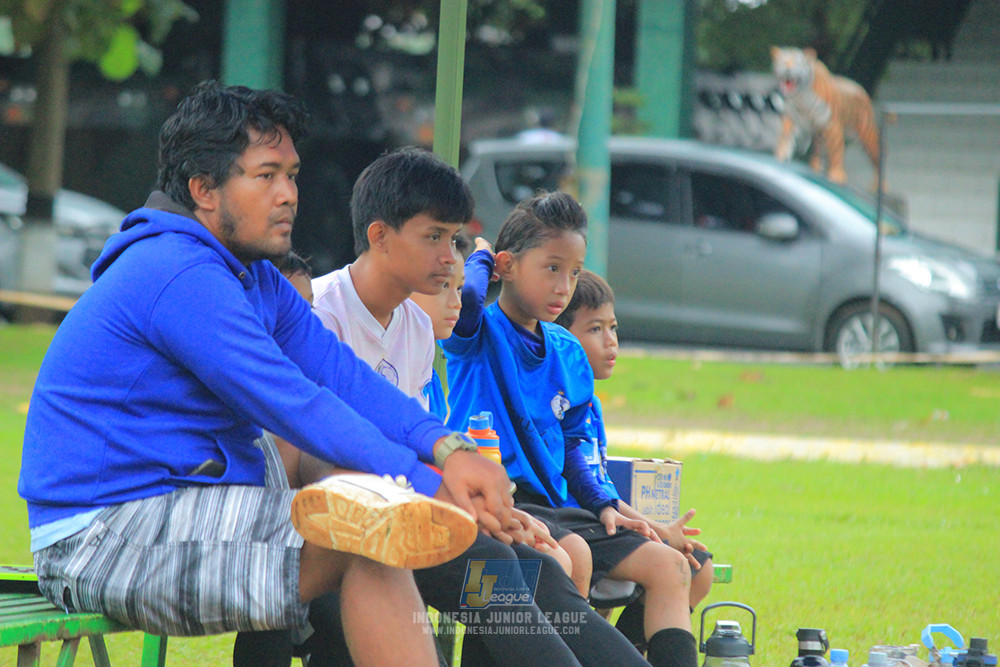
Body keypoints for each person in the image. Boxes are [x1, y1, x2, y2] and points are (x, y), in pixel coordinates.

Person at [17, 81, 516, 667]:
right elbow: (294, 402)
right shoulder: (176, 273)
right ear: (204, 189)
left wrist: (449, 449)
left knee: (371, 526)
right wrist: (430, 486)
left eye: (293, 174)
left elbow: (343, 376)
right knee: (368, 530)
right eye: (266, 175)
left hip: (179, 508)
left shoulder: (251, 278)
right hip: (102, 536)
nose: (289, 195)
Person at [308, 147, 652, 667]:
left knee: (525, 563)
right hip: (334, 539)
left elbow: (417, 446)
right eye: (435, 238)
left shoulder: (414, 328)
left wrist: (491, 510)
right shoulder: (318, 311)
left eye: (454, 239)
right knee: (499, 567)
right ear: (379, 236)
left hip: (414, 521)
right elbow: (328, 453)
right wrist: (456, 499)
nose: (451, 256)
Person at [442, 191, 705, 667]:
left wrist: (607, 504)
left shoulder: (567, 350)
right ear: (508, 266)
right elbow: (468, 299)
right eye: (551, 268)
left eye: (575, 272)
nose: (565, 286)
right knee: (572, 557)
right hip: (498, 500)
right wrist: (481, 257)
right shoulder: (477, 334)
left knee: (672, 565)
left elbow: (579, 445)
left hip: (560, 506)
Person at [554, 269, 715, 649]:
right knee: (675, 566)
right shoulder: (556, 402)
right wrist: (654, 529)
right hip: (572, 524)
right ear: (560, 338)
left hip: (602, 520)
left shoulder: (590, 404)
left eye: (613, 328)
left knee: (700, 567)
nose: (611, 342)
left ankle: (621, 651)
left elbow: (603, 486)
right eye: (595, 330)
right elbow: (585, 489)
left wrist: (655, 527)